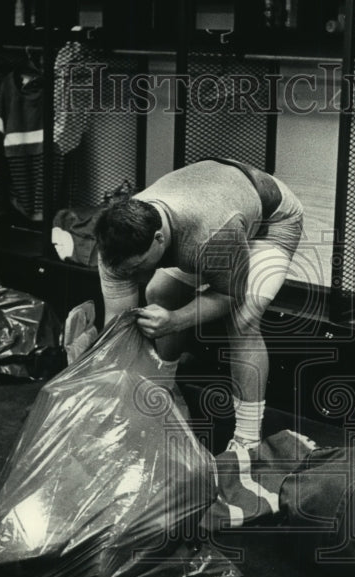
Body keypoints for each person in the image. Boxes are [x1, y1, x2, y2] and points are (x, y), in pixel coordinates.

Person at [94, 157, 304, 451]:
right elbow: (118, 324)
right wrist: (99, 388)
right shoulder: (114, 245)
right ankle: (161, 394)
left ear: (158, 239)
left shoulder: (209, 234)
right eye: (127, 271)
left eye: (139, 266)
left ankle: (247, 439)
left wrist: (175, 320)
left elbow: (230, 295)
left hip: (270, 222)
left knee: (243, 319)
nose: (134, 277)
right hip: (215, 206)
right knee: (159, 294)